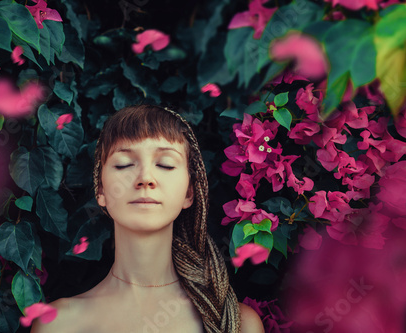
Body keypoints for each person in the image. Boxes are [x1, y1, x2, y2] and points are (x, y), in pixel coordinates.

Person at [31, 104, 264, 332]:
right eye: (124, 165)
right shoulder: (59, 324)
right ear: (101, 191)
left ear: (189, 192)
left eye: (165, 164)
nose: (145, 178)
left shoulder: (239, 324)